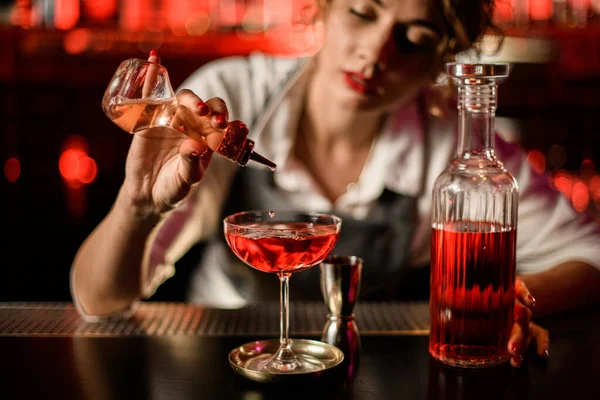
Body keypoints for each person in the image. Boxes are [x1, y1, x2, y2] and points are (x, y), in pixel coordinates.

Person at [70, 0, 600, 368]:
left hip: (371, 368)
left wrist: (517, 296)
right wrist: (138, 204)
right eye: (362, 12)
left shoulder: (450, 145)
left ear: (441, 60)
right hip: (222, 361)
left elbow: (589, 252)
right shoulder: (231, 96)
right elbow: (99, 300)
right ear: (322, 7)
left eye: (415, 39)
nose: (376, 53)